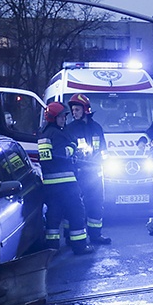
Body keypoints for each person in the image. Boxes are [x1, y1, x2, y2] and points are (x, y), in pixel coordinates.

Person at [38, 101, 93, 255]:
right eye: (61, 117)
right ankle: (80, 246)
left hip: (50, 185)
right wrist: (73, 147)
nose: (64, 119)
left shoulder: (44, 134)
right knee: (76, 212)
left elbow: (47, 159)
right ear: (53, 117)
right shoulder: (57, 134)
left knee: (53, 217)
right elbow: (62, 154)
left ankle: (52, 248)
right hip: (66, 184)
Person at [65, 93, 111, 245]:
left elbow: (104, 150)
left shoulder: (97, 128)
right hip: (78, 175)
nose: (74, 113)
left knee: (96, 204)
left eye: (77, 110)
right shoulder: (69, 129)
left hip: (96, 175)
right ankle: (70, 236)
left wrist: (102, 160)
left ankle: (96, 235)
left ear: (86, 110)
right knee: (75, 207)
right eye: (73, 110)